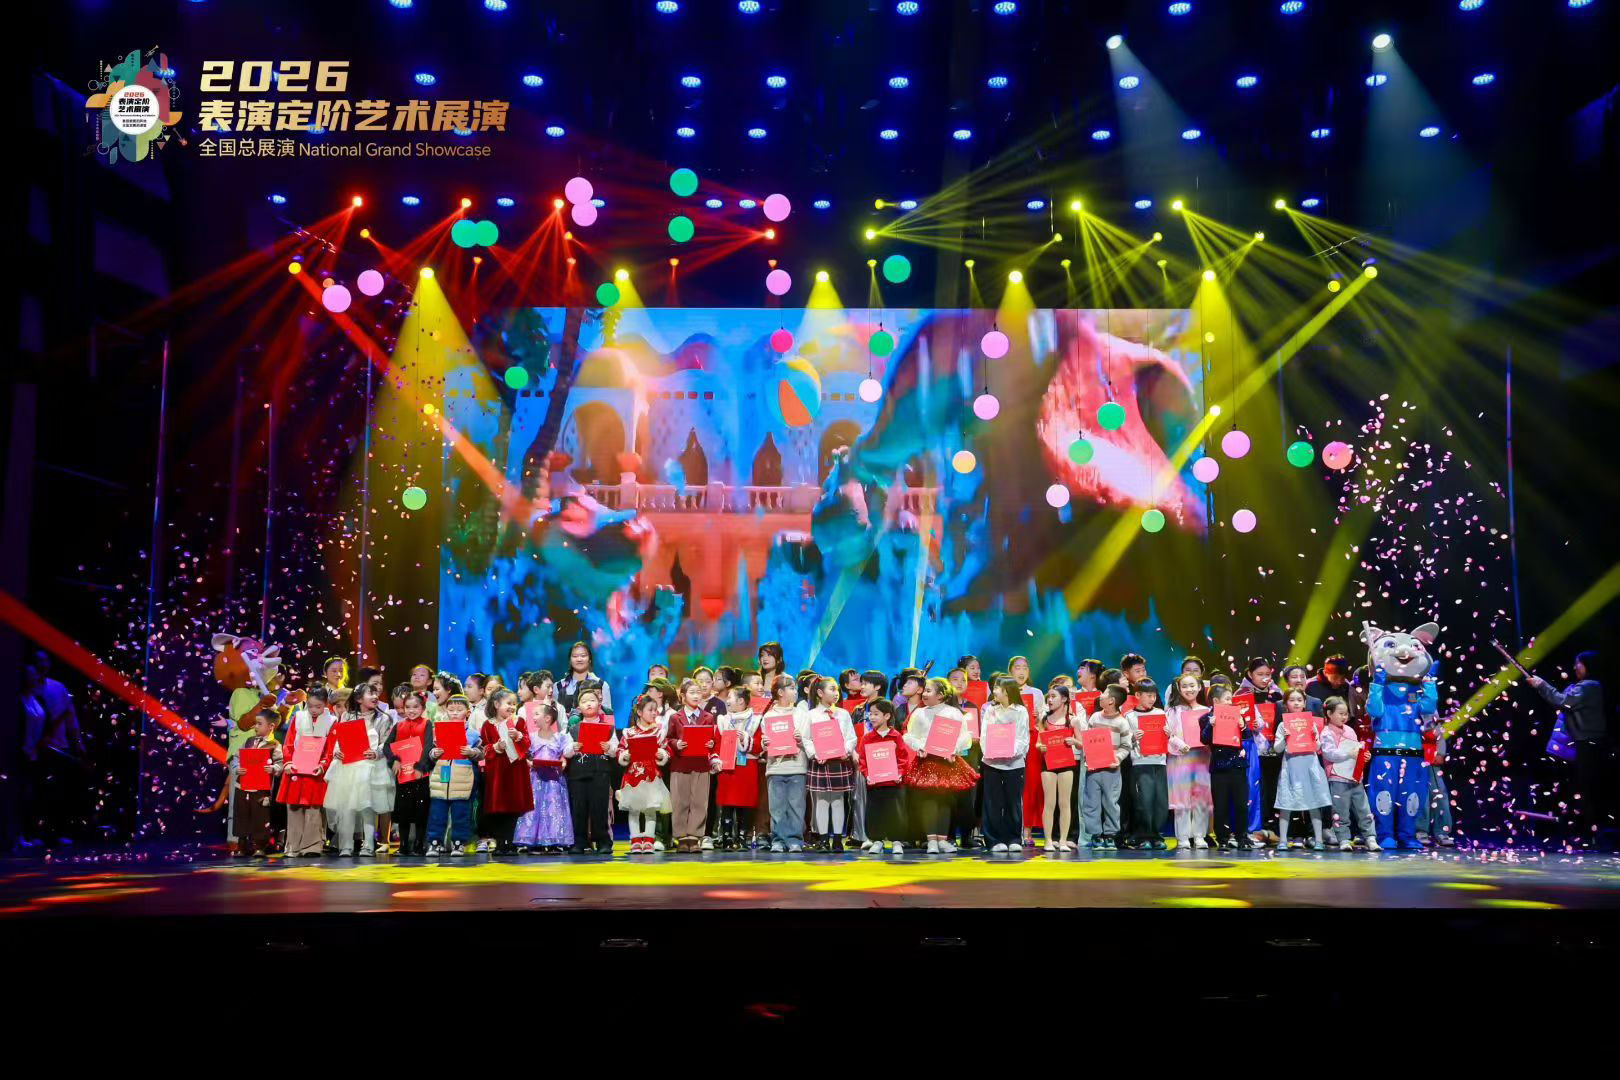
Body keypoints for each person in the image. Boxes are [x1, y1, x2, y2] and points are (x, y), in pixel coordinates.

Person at [1529, 651, 1606, 846]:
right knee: (1579, 788)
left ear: (1588, 665)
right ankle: (1582, 831)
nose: (1575, 667)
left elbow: (1563, 701)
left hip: (1588, 744)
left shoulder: (1590, 686)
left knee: (1586, 789)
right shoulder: (1583, 687)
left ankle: (1591, 833)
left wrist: (1541, 684)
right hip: (1583, 743)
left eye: (1578, 663)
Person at [902, 676, 978, 854]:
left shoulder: (953, 713)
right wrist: (919, 746)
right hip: (927, 761)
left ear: (941, 695)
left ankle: (943, 840)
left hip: (947, 762)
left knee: (945, 801)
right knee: (929, 801)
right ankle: (931, 841)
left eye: (928, 691)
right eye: (924, 691)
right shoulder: (919, 713)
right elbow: (909, 735)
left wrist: (954, 749)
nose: (924, 694)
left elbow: (964, 736)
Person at [19, 650, 86, 848]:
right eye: (38, 661)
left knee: (58, 793)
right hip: (37, 750)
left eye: (46, 660)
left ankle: (55, 833)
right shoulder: (28, 692)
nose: (43, 665)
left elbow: (70, 717)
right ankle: (34, 833)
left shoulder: (58, 687)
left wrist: (78, 742)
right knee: (38, 793)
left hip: (58, 746)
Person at [323, 682, 394, 857]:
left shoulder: (383, 718)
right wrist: (337, 751)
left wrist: (377, 752)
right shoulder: (347, 716)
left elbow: (387, 742)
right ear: (359, 698)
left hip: (371, 767)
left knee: (367, 806)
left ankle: (368, 844)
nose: (375, 696)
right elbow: (340, 739)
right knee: (347, 806)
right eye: (370, 693)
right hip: (348, 766)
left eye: (376, 693)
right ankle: (345, 845)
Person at [515, 673, 572, 853]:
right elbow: (524, 753)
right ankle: (532, 839)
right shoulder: (531, 735)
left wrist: (563, 760)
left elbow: (565, 750)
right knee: (535, 807)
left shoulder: (559, 734)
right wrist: (529, 762)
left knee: (553, 807)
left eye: (537, 714)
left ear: (547, 718)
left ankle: (554, 839)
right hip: (536, 779)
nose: (533, 717)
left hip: (554, 779)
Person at [277, 687, 335, 857]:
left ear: (326, 704)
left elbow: (331, 749)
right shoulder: (299, 717)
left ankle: (312, 846)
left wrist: (323, 765)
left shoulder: (331, 721)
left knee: (313, 809)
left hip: (316, 771)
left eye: (318, 706)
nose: (314, 710)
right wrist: (288, 762)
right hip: (296, 768)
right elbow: (288, 743)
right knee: (294, 808)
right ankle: (293, 847)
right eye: (310, 706)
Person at [803, 676, 858, 852]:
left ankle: (837, 840)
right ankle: (824, 839)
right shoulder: (811, 715)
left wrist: (846, 751)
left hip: (839, 761)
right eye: (832, 689)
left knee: (838, 800)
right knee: (821, 801)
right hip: (821, 762)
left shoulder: (843, 714)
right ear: (820, 693)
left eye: (837, 690)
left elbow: (851, 737)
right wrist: (815, 754)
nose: (836, 693)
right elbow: (806, 738)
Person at [667, 678, 722, 852]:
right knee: (680, 802)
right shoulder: (675, 717)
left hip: (701, 764)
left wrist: (710, 744)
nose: (696, 695)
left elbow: (712, 740)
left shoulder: (708, 717)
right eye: (692, 692)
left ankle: (694, 836)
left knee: (699, 802)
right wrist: (676, 744)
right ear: (683, 696)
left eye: (698, 692)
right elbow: (668, 739)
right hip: (680, 764)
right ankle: (681, 837)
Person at [425, 694, 482, 856]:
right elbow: (431, 752)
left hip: (463, 777)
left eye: (459, 710)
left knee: (461, 813)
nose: (455, 713)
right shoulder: (439, 731)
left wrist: (472, 752)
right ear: (446, 711)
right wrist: (434, 753)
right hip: (443, 773)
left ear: (467, 712)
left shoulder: (473, 734)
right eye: (451, 710)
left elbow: (482, 753)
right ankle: (434, 843)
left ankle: (458, 843)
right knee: (437, 811)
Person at [1274, 687, 1330, 850]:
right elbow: (1277, 749)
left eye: (1299, 700)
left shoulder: (1310, 723)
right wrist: (1285, 738)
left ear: (1305, 703)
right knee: (1286, 804)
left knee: (1314, 803)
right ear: (1285, 704)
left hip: (1310, 767)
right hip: (1291, 768)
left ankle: (1318, 840)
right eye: (1292, 700)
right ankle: (1283, 840)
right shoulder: (1283, 725)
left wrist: (1313, 737)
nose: (1296, 703)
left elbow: (1318, 747)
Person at [562, 687, 617, 854]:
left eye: (592, 700)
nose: (588, 704)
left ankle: (603, 842)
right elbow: (565, 750)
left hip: (600, 773)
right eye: (584, 701)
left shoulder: (608, 727)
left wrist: (608, 748)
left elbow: (615, 749)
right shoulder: (574, 728)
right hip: (578, 774)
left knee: (599, 809)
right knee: (579, 809)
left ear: (599, 704)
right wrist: (573, 747)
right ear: (579, 707)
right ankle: (579, 842)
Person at [479, 688, 533, 854]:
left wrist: (518, 736)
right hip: (497, 772)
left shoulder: (519, 722)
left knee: (513, 807)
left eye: (514, 704)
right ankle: (500, 843)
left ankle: (510, 842)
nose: (512, 707)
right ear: (496, 704)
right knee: (498, 807)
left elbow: (527, 743)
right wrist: (496, 747)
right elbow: (484, 748)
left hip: (516, 771)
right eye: (508, 703)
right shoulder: (488, 725)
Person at [1201, 683, 1255, 850]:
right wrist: (1211, 725)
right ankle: (1222, 839)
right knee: (1221, 805)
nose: (1230, 702)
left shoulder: (1237, 715)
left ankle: (1242, 837)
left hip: (1238, 765)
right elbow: (1204, 739)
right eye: (1227, 699)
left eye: (1231, 699)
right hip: (1219, 767)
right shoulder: (1206, 718)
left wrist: (1243, 725)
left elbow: (1248, 736)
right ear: (1216, 701)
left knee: (1241, 804)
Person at [980, 677, 1030, 854]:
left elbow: (1023, 738)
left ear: (1007, 691)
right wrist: (991, 751)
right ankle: (993, 840)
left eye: (997, 688)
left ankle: (1013, 838)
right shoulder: (991, 710)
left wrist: (1009, 752)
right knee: (992, 802)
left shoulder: (1021, 711)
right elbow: (985, 735)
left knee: (1012, 802)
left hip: (1014, 763)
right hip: (992, 763)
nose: (994, 691)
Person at [1320, 697, 1377, 852]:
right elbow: (1329, 754)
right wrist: (1348, 754)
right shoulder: (1326, 733)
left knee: (1363, 809)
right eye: (1340, 713)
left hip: (1355, 777)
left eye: (1346, 714)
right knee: (1340, 811)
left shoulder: (1350, 731)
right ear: (1329, 714)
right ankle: (1343, 839)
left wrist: (1364, 756)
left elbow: (1357, 750)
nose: (1344, 717)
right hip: (1338, 778)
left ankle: (1370, 837)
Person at [617, 695, 672, 854]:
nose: (654, 713)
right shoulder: (629, 732)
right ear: (640, 712)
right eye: (650, 710)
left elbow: (666, 749)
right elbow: (621, 749)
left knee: (650, 809)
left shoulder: (659, 732)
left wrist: (662, 754)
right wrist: (625, 756)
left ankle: (649, 840)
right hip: (633, 775)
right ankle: (635, 840)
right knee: (633, 810)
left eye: (655, 710)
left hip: (651, 775)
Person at [856, 699, 912, 854]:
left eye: (876, 714)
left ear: (887, 716)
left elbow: (903, 758)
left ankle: (896, 841)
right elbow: (863, 760)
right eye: (870, 714)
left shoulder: (896, 736)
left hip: (894, 784)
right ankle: (877, 840)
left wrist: (899, 773)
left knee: (896, 812)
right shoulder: (867, 738)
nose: (872, 717)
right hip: (875, 784)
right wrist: (867, 774)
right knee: (875, 812)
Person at [762, 675, 809, 853]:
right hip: (775, 767)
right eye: (791, 688)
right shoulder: (769, 716)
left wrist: (801, 739)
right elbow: (765, 741)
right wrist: (765, 743)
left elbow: (808, 740)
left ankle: (795, 839)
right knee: (777, 807)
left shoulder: (801, 714)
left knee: (796, 806)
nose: (795, 692)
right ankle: (778, 840)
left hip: (797, 765)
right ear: (780, 692)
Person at [1165, 673, 1213, 849]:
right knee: (1182, 799)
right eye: (1184, 686)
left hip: (1203, 758)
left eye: (1192, 685)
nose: (1189, 689)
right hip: (1181, 758)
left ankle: (1199, 836)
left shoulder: (1207, 711)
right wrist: (1180, 744)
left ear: (1199, 687)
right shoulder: (1172, 711)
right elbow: (1168, 734)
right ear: (1179, 689)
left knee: (1202, 797)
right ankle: (1183, 837)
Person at [1082, 686, 1131, 848]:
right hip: (1093, 769)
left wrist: (1117, 758)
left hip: (1111, 770)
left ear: (1111, 701)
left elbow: (1126, 746)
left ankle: (1110, 834)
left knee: (1111, 802)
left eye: (1103, 694)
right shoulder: (1095, 717)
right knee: (1091, 802)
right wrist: (1088, 758)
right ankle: (1096, 834)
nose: (1100, 696)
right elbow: (1087, 739)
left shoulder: (1122, 722)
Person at [715, 686, 762, 850]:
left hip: (747, 766)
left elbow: (759, 746)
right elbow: (717, 743)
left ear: (741, 701)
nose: (727, 701)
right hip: (728, 767)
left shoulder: (756, 720)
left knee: (745, 802)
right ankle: (726, 837)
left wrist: (745, 739)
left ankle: (742, 837)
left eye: (730, 697)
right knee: (727, 803)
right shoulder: (723, 720)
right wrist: (716, 760)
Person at [1124, 677, 1169, 849]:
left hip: (1159, 762)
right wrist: (1132, 737)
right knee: (1144, 801)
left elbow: (1170, 737)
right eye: (1148, 695)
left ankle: (1156, 835)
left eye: (1154, 696)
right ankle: (1143, 836)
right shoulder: (1130, 716)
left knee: (1160, 801)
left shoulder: (1160, 713)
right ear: (1137, 695)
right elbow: (1124, 741)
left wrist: (1168, 733)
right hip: (1140, 762)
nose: (1152, 699)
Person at [230, 711, 282, 857]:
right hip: (243, 785)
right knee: (241, 815)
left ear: (271, 726)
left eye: (259, 724)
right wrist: (237, 768)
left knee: (260, 816)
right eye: (255, 723)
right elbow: (237, 757)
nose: (255, 727)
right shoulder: (248, 741)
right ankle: (242, 845)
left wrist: (273, 768)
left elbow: (280, 763)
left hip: (261, 788)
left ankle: (260, 846)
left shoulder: (274, 745)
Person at [387, 690, 433, 855]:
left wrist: (421, 766)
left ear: (423, 708)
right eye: (408, 707)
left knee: (421, 810)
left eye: (415, 707)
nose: (411, 710)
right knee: (403, 810)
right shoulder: (399, 725)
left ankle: (420, 845)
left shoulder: (427, 724)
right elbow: (387, 746)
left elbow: (428, 746)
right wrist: (394, 760)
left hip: (420, 775)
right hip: (403, 776)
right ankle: (404, 845)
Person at [1037, 684, 1079, 853]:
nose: (1050, 699)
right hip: (1048, 764)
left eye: (1053, 696)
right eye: (1049, 696)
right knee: (1049, 803)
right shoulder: (1044, 720)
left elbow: (1082, 744)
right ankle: (1048, 840)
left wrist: (1074, 741)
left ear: (1064, 699)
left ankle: (1063, 840)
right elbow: (1038, 742)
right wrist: (1040, 747)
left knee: (1065, 803)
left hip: (1066, 764)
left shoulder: (1073, 720)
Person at [558, 641, 611, 713]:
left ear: (590, 660)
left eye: (583, 656)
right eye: (575, 656)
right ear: (570, 660)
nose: (579, 659)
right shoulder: (559, 686)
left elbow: (608, 714)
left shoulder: (602, 685)